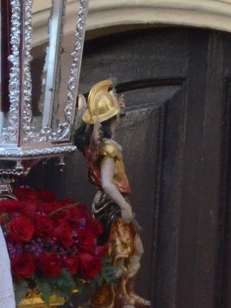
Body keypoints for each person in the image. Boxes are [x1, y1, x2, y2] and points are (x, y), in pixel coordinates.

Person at [79, 79, 149, 308]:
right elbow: (108, 183)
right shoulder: (108, 149)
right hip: (112, 205)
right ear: (114, 118)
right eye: (118, 113)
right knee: (120, 255)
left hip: (111, 203)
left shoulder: (103, 142)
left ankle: (125, 293)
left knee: (132, 252)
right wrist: (124, 206)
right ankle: (113, 299)